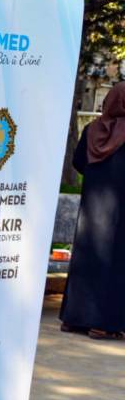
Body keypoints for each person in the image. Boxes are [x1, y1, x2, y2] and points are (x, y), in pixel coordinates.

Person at [60, 82, 125, 340]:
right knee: (114, 265)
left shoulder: (91, 131)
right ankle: (102, 324)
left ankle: (74, 319)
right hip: (119, 215)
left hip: (91, 212)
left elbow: (79, 162)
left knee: (84, 262)